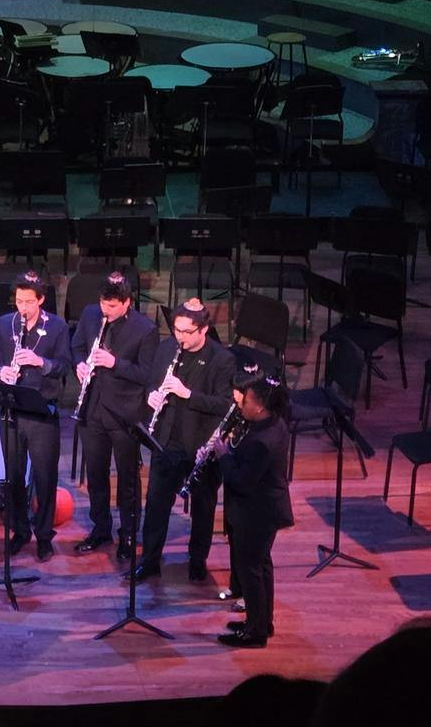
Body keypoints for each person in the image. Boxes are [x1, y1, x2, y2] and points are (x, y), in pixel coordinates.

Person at [133, 302, 238, 583]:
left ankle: (197, 560)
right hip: (166, 440)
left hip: (200, 445)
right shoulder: (167, 348)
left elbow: (225, 404)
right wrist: (152, 395)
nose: (180, 337)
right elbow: (152, 382)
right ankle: (150, 560)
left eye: (188, 332)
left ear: (204, 329)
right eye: (177, 329)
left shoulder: (222, 359)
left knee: (203, 507)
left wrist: (187, 393)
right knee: (156, 504)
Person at [71, 271, 158, 558]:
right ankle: (100, 529)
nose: (105, 312)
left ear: (127, 303)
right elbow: (77, 346)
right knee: (95, 474)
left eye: (112, 307)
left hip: (124, 414)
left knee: (127, 479)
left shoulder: (145, 330)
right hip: (93, 409)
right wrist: (79, 365)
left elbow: (146, 374)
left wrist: (114, 362)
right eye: (103, 305)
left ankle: (129, 535)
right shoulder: (89, 314)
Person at [0, 269, 72, 559]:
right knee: (12, 474)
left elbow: (64, 365)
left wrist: (39, 361)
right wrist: (1, 372)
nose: (23, 307)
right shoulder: (3, 324)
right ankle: (20, 530)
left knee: (44, 475)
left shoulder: (58, 326)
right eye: (19, 301)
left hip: (42, 411)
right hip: (11, 408)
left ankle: (44, 535)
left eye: (28, 301)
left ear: (41, 300)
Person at [218, 370, 294, 648]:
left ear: (259, 405)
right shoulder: (275, 423)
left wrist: (223, 455)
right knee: (261, 567)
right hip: (265, 509)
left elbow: (242, 481)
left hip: (256, 512)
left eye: (245, 402)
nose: (241, 405)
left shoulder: (263, 441)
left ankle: (255, 632)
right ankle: (262, 622)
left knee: (251, 570)